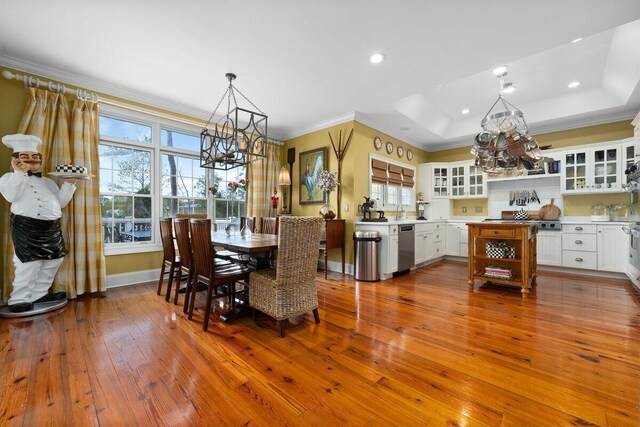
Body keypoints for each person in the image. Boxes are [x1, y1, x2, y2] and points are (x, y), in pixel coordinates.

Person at [0, 134, 79, 313]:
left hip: (52, 227)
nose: (31, 160)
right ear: (15, 159)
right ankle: (18, 299)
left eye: (35, 157)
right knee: (28, 263)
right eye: (25, 156)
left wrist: (69, 184)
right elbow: (11, 196)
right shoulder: (7, 178)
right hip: (26, 226)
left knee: (55, 259)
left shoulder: (48, 182)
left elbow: (60, 203)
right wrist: (19, 173)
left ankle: (39, 293)